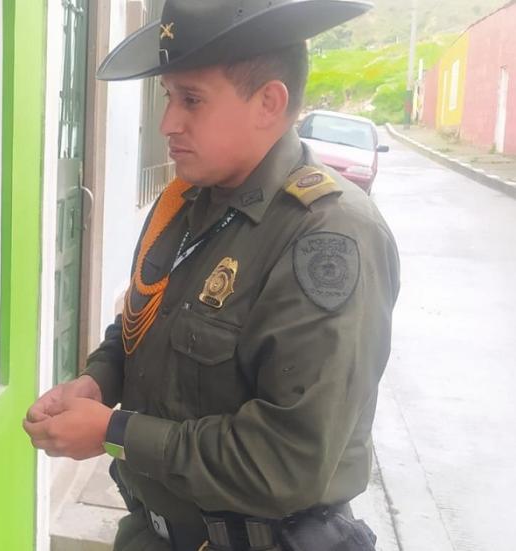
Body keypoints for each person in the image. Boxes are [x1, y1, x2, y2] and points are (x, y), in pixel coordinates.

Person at [24, 1, 399, 550]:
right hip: (150, 534)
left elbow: (286, 461)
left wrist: (113, 432)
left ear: (268, 103)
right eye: (169, 97)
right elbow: (141, 325)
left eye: (191, 100)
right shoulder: (185, 204)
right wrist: (98, 380)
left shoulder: (326, 236)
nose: (167, 124)